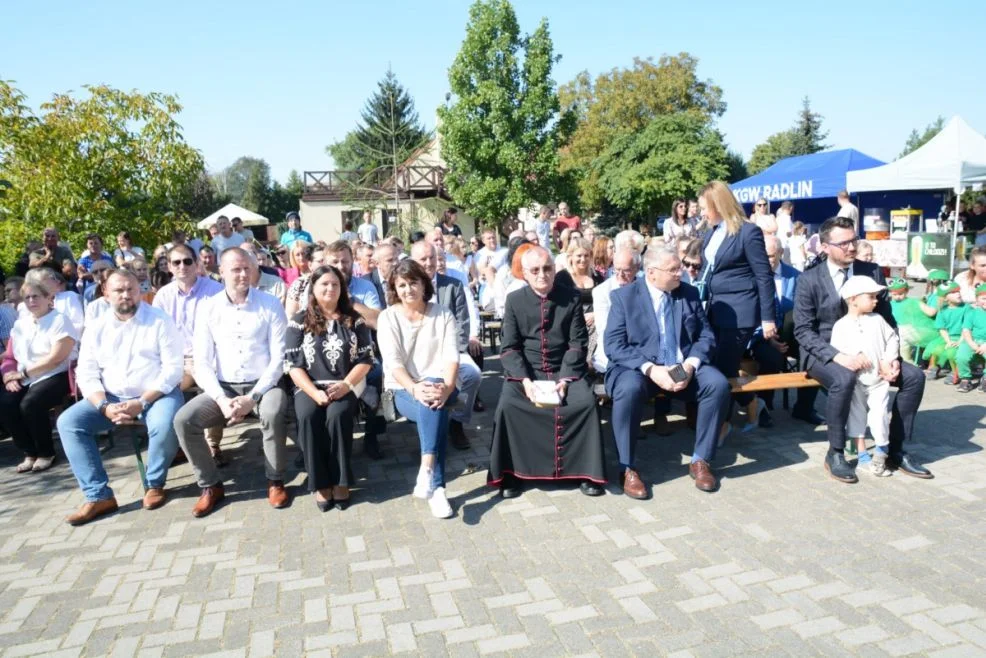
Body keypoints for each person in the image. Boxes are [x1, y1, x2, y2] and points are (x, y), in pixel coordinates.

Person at [793, 215, 930, 483]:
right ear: (824, 246)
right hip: (824, 352)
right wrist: (838, 356)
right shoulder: (809, 280)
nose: (852, 247)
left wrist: (892, 358)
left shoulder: (872, 271)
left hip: (874, 351)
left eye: (854, 240)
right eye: (843, 243)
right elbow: (803, 331)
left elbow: (889, 322)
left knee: (914, 377)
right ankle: (835, 453)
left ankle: (895, 449)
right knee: (843, 379)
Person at [56, 269, 185, 525]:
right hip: (112, 397)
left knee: (164, 422)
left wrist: (143, 401)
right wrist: (103, 406)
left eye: (131, 289)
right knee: (68, 423)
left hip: (157, 394)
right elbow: (86, 372)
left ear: (141, 290)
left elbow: (173, 371)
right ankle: (99, 496)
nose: (126, 295)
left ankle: (155, 483)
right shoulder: (96, 327)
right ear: (106, 293)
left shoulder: (159, 320)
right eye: (119, 290)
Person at [605, 246, 730, 496]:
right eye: (673, 269)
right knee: (628, 389)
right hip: (641, 368)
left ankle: (701, 459)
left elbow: (706, 336)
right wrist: (651, 370)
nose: (680, 272)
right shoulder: (625, 297)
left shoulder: (689, 293)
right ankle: (627, 467)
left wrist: (690, 365)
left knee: (717, 384)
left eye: (680, 267)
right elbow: (614, 345)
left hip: (681, 366)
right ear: (651, 273)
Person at [488, 247, 606, 498]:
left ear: (555, 269)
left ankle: (585, 472)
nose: (542, 274)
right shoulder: (515, 301)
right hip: (527, 373)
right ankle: (511, 473)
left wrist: (564, 379)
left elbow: (577, 343)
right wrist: (526, 382)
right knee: (508, 406)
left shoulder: (571, 298)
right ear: (525, 275)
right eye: (535, 270)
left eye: (547, 268)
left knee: (585, 403)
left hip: (565, 370)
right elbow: (509, 348)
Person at [286, 265, 373, 511]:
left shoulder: (354, 320)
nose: (330, 289)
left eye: (335, 284)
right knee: (308, 415)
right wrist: (314, 393)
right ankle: (320, 482)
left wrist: (346, 385)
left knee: (338, 415)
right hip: (309, 386)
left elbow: (366, 360)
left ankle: (341, 481)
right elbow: (293, 365)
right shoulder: (299, 321)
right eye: (324, 284)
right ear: (313, 288)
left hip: (346, 383)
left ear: (342, 289)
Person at [377, 260, 460, 518]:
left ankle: (427, 473)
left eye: (413, 282)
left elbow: (451, 358)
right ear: (394, 288)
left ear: (424, 284)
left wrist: (446, 389)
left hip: (441, 384)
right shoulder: (388, 317)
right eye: (401, 285)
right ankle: (437, 488)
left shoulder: (443, 313)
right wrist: (415, 388)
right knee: (434, 407)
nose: (408, 289)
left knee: (435, 399)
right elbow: (393, 364)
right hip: (403, 389)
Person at [698, 181, 775, 441]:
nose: (702, 214)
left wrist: (767, 318)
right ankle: (751, 401)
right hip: (714, 311)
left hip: (740, 314)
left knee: (722, 368)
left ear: (718, 205)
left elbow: (764, 276)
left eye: (704, 208)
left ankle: (722, 423)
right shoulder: (711, 232)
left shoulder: (748, 232)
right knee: (721, 368)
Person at [152, 244, 226, 464]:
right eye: (176, 262)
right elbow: (155, 332)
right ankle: (176, 443)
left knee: (212, 391)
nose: (182, 266)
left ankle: (212, 444)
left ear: (197, 263)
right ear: (169, 267)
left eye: (187, 261)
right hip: (176, 360)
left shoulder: (214, 290)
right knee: (165, 391)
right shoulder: (163, 296)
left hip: (210, 357)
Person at [409, 242, 482, 449]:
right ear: (413, 261)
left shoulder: (453, 285)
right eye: (423, 259)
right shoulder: (406, 288)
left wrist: (451, 354)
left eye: (432, 257)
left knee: (473, 375)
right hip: (418, 355)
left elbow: (462, 323)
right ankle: (430, 427)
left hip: (451, 351)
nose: (429, 263)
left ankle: (457, 423)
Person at [0, 281, 79, 473]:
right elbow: (10, 356)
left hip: (56, 373)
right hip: (25, 375)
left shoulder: (60, 320)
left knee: (30, 403)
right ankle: (29, 452)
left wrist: (23, 374)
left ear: (48, 298)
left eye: (36, 296)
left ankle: (46, 452)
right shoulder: (20, 324)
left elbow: (56, 358)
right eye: (27, 297)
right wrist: (8, 376)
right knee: (6, 403)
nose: (31, 300)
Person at [830, 276, 900, 476]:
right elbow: (837, 352)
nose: (876, 301)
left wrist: (888, 359)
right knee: (856, 416)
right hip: (856, 381)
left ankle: (881, 450)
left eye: (876, 296)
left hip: (879, 380)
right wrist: (853, 356)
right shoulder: (841, 326)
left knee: (879, 415)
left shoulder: (877, 319)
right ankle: (862, 456)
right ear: (853, 299)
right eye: (871, 297)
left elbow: (892, 339)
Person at [748, 235, 821, 427]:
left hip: (794, 334)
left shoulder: (796, 276)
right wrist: (769, 337)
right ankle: (764, 406)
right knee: (770, 358)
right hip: (763, 335)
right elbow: (750, 313)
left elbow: (804, 310)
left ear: (781, 253)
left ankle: (804, 407)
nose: (766, 260)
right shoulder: (751, 277)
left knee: (815, 355)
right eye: (762, 256)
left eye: (771, 256)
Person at [591, 248, 640, 373]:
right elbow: (605, 328)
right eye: (616, 270)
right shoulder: (602, 291)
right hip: (613, 350)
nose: (620, 275)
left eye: (626, 270)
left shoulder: (645, 288)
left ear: (637, 268)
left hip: (642, 348)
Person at [888, 278, 937, 365]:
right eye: (894, 294)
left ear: (906, 291)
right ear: (890, 293)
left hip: (922, 329)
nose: (898, 296)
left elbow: (930, 312)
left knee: (901, 334)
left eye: (901, 294)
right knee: (898, 333)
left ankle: (907, 362)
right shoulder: (889, 305)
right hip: (906, 331)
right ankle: (902, 360)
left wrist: (937, 303)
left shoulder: (915, 302)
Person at [924, 281, 966, 383]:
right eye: (953, 292)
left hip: (963, 337)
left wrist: (960, 341)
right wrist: (948, 341)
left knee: (951, 353)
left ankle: (956, 371)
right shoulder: (942, 310)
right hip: (947, 337)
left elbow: (967, 328)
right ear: (945, 297)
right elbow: (942, 328)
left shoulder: (966, 308)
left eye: (958, 291)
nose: (958, 294)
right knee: (935, 349)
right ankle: (934, 367)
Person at [956, 283, 986, 393]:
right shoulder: (971, 313)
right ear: (977, 299)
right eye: (984, 298)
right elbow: (966, 330)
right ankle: (965, 378)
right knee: (961, 356)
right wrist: (971, 343)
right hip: (972, 340)